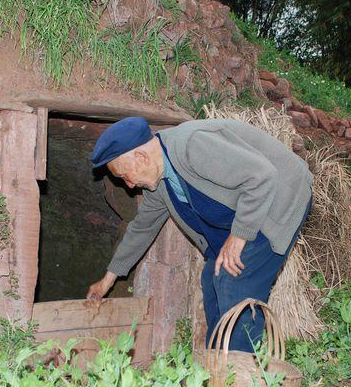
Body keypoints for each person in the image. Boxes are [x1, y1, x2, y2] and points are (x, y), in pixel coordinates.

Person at [86, 116, 313, 352]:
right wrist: (107, 281)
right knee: (211, 278)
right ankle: (216, 362)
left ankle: (239, 370)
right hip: (251, 207)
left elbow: (262, 176)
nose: (129, 186)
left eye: (124, 176)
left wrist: (239, 236)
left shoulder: (191, 145)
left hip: (280, 201)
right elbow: (141, 228)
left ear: (141, 157)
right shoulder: (161, 182)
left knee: (234, 281)